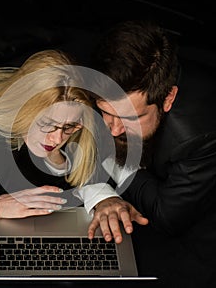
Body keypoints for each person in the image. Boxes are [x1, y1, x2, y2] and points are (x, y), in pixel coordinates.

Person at [0, 49, 146, 287]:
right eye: (47, 124)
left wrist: (102, 197)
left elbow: (83, 155)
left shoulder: (41, 91)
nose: (56, 139)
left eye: (69, 127)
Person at [87, 19, 216, 288]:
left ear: (168, 99)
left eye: (130, 117)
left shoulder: (199, 135)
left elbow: (168, 216)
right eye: (106, 112)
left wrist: (112, 159)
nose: (113, 129)